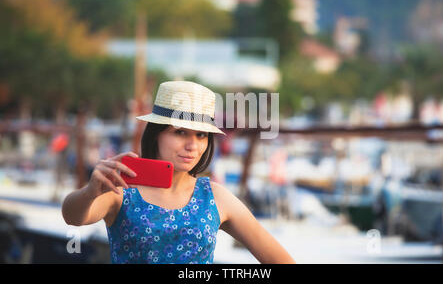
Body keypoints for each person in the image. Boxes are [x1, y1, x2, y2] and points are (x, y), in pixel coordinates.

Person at [62, 81, 295, 264]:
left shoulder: (214, 197)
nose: (192, 145)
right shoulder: (122, 188)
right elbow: (73, 217)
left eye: (201, 135)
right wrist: (90, 192)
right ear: (157, 134)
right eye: (180, 132)